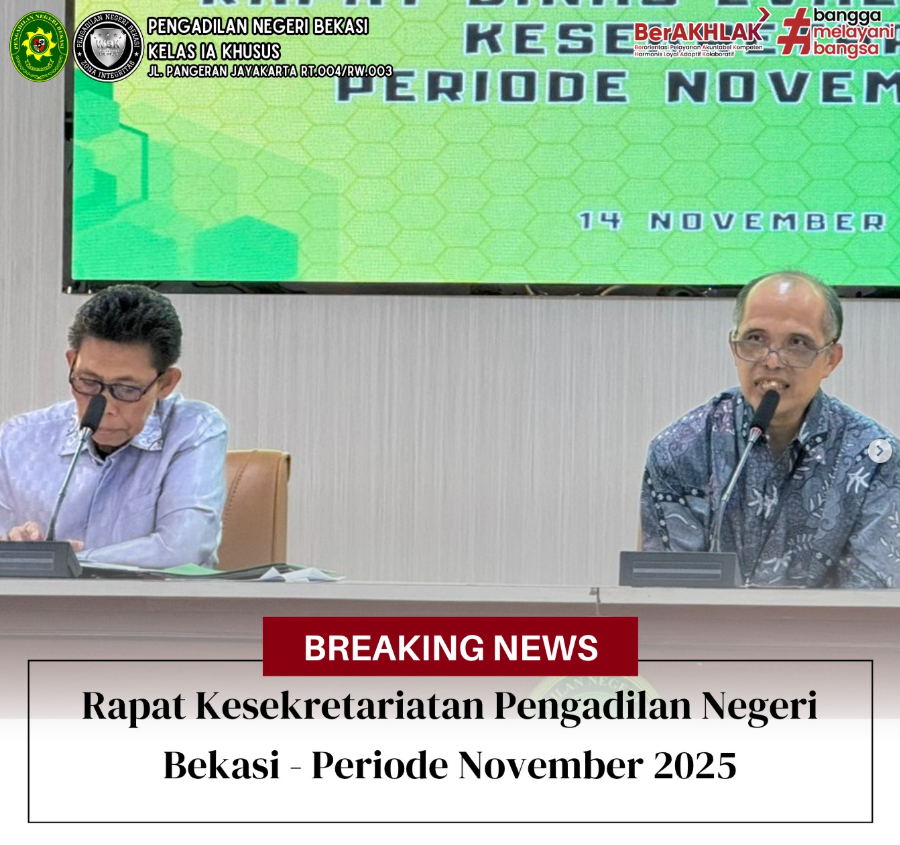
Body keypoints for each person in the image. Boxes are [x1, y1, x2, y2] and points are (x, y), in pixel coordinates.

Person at [641, 271, 900, 588]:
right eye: (755, 339)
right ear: (734, 347)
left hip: (828, 624)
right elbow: (667, 595)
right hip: (708, 622)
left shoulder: (874, 459)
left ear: (830, 360)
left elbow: (873, 599)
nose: (772, 361)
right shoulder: (680, 450)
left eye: (797, 343)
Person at [0, 285, 227, 569]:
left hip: (155, 599)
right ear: (71, 363)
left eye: (127, 389)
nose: (105, 406)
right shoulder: (19, 439)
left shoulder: (193, 430)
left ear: (165, 383)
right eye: (88, 382)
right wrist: (14, 547)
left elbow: (182, 549)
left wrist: (63, 560)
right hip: (38, 600)